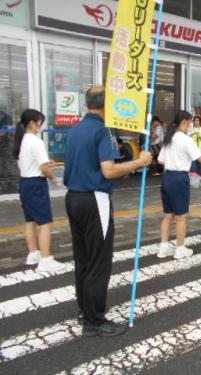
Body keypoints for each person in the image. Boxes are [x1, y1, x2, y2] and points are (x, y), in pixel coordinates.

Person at [64, 86, 152, 337]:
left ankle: (85, 310)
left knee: (82, 260)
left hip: (74, 198)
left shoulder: (75, 130)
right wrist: (140, 162)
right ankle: (94, 320)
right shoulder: (103, 129)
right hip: (95, 199)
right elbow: (109, 171)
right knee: (99, 262)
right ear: (106, 106)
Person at [157, 111, 201, 259]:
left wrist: (173, 160)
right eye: (190, 122)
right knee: (181, 216)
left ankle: (163, 248)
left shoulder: (169, 138)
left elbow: (160, 160)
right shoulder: (186, 140)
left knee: (168, 215)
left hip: (167, 177)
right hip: (179, 178)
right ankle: (180, 249)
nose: (191, 125)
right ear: (184, 123)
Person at [12, 109, 66, 272]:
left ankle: (33, 253)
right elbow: (43, 168)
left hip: (25, 183)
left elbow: (36, 163)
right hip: (36, 185)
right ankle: (45, 260)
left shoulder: (22, 140)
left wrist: (44, 165)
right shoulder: (36, 142)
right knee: (45, 223)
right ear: (32, 124)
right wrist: (55, 179)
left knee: (30, 221)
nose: (41, 126)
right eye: (40, 122)